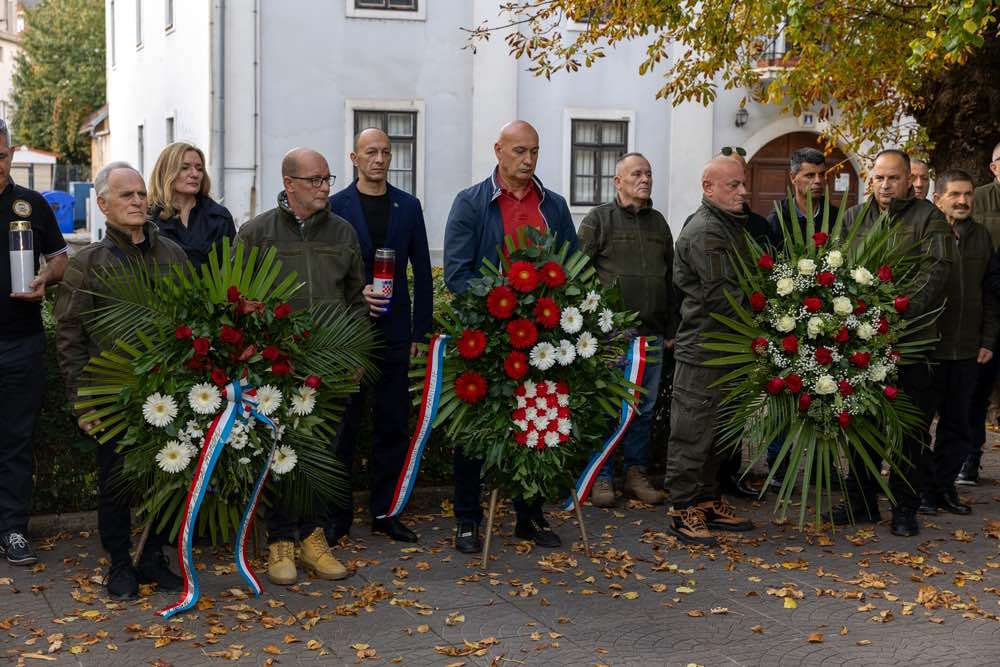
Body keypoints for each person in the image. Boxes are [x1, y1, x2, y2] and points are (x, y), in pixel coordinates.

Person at [443, 120, 577, 553]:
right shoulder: (471, 203)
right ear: (497, 150)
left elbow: (572, 268)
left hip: (543, 337)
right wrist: (501, 302)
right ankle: (467, 518)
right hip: (487, 337)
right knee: (474, 433)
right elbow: (457, 275)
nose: (528, 160)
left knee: (537, 422)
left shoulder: (553, 206)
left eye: (534, 151)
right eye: (519, 151)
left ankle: (530, 515)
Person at [54, 162, 186, 598]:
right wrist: (82, 404)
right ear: (102, 203)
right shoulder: (87, 264)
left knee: (168, 477)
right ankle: (119, 564)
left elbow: (193, 319)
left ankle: (153, 558)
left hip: (170, 393)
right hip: (112, 397)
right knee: (116, 485)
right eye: (126, 195)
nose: (136, 201)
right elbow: (70, 338)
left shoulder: (173, 255)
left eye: (141, 194)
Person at [238, 148, 367, 585]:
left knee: (323, 455)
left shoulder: (344, 232)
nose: (324, 187)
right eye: (314, 180)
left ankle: (313, 540)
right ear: (288, 183)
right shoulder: (256, 234)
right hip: (277, 370)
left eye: (327, 178)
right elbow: (237, 303)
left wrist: (355, 358)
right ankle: (279, 543)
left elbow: (355, 302)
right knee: (281, 456)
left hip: (330, 368)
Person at [831, 149, 952, 537]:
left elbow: (935, 273)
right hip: (862, 345)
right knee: (861, 425)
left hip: (911, 343)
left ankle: (904, 508)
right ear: (871, 180)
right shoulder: (853, 217)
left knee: (909, 433)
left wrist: (895, 312)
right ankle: (861, 502)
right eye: (879, 178)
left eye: (894, 178)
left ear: (909, 180)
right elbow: (839, 270)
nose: (886, 185)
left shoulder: (927, 218)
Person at [329, 128, 433, 543]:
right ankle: (337, 518)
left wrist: (420, 332)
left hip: (394, 333)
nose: (379, 159)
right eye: (371, 152)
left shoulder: (407, 206)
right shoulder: (336, 207)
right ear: (354, 158)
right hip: (350, 333)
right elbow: (330, 275)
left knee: (391, 425)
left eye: (386, 152)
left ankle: (386, 511)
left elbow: (423, 273)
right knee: (345, 427)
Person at [666, 157, 757, 546]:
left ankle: (706, 500)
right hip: (705, 349)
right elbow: (724, 297)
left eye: (742, 184)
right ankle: (682, 508)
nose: (743, 192)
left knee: (718, 434)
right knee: (692, 431)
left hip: (727, 347)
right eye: (734, 185)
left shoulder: (728, 226)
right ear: (709, 188)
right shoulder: (706, 231)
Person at [577, 152, 673, 507]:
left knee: (644, 410)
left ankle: (635, 474)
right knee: (606, 408)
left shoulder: (659, 223)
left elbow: (671, 276)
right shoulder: (599, 220)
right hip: (611, 337)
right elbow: (576, 272)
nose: (645, 179)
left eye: (648, 173)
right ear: (618, 181)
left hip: (652, 337)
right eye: (636, 174)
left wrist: (670, 327)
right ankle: (601, 476)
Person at [0, 119, 68, 566]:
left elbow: (61, 257)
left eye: (1, 157)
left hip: (19, 342)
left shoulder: (30, 204)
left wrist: (46, 276)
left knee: (15, 440)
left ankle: (12, 529)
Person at [914, 170, 996, 515]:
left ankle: (944, 488)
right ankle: (919, 491)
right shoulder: (922, 235)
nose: (963, 201)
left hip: (967, 349)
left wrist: (988, 338)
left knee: (959, 426)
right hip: (928, 348)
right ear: (938, 199)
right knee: (918, 427)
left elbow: (991, 293)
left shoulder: (981, 237)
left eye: (968, 195)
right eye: (955, 195)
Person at [763, 147, 840, 491]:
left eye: (821, 175)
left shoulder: (837, 217)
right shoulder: (776, 218)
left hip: (829, 317)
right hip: (787, 318)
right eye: (809, 175)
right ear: (793, 178)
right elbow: (767, 267)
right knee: (785, 392)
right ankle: (779, 464)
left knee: (827, 393)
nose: (817, 182)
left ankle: (825, 466)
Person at [959, 140, 1000, 484]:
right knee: (976, 392)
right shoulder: (979, 200)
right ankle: (969, 460)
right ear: (994, 166)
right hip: (987, 306)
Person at [147, 142, 236, 270]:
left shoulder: (219, 216)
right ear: (165, 171)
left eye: (199, 169)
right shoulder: (148, 218)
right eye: (185, 167)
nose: (195, 174)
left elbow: (232, 267)